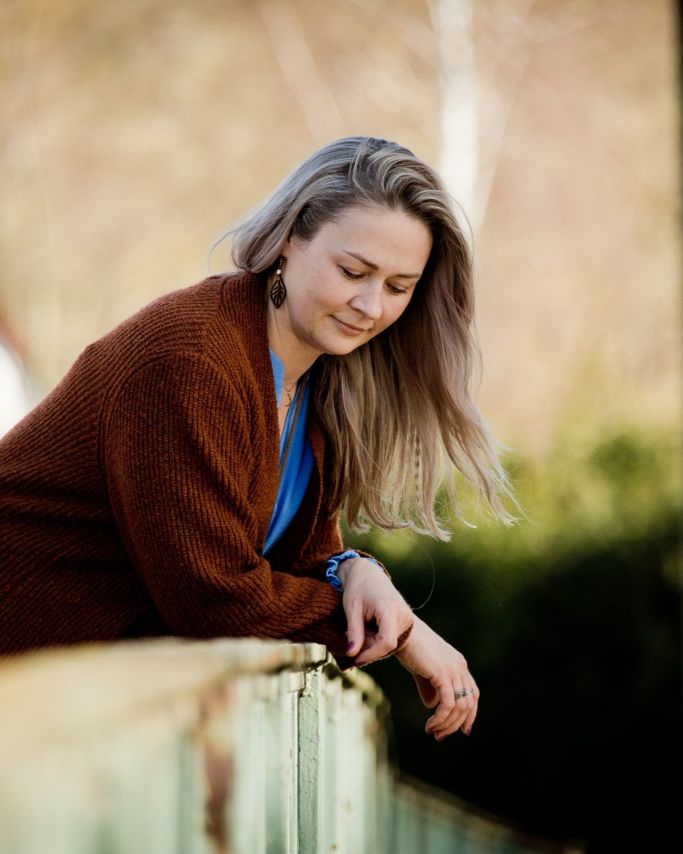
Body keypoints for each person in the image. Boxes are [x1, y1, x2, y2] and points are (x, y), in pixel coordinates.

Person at [0, 137, 512, 741]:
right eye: (353, 271)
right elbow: (214, 600)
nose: (371, 306)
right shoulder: (193, 360)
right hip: (19, 677)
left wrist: (355, 571)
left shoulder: (320, 377)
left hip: (73, 704)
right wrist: (400, 632)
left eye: (399, 287)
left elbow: (297, 560)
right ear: (290, 240)